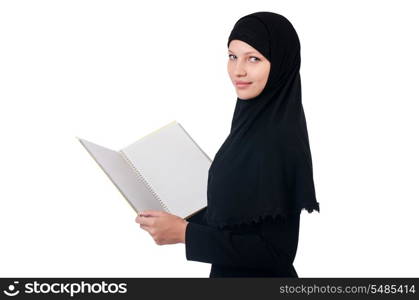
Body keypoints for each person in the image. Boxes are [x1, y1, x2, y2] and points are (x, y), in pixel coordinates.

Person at [135, 11, 320, 278]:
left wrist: (184, 234)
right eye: (232, 56)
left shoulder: (279, 141)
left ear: (280, 64)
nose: (238, 70)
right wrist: (178, 215)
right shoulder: (252, 123)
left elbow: (277, 252)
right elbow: (243, 218)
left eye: (253, 58)